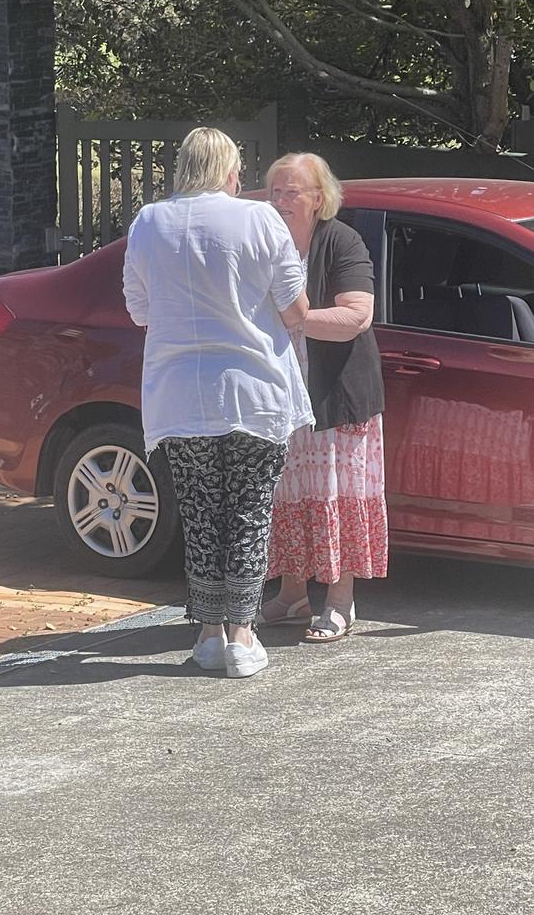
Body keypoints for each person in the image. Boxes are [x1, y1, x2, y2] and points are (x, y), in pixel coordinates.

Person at [122, 129, 314, 678]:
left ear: (183, 167)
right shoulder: (258, 219)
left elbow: (139, 311)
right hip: (253, 390)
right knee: (248, 514)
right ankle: (242, 635)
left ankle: (208, 634)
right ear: (231, 172)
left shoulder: (149, 222)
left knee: (203, 514)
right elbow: (295, 309)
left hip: (180, 393)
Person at [259, 152, 388, 641]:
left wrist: (296, 319)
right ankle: (292, 595)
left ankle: (339, 602)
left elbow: (357, 316)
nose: (282, 200)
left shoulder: (342, 241)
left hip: (338, 398)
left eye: (292, 191)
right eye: (276, 191)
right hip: (283, 396)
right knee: (289, 495)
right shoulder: (268, 243)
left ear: (319, 198)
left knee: (337, 496)